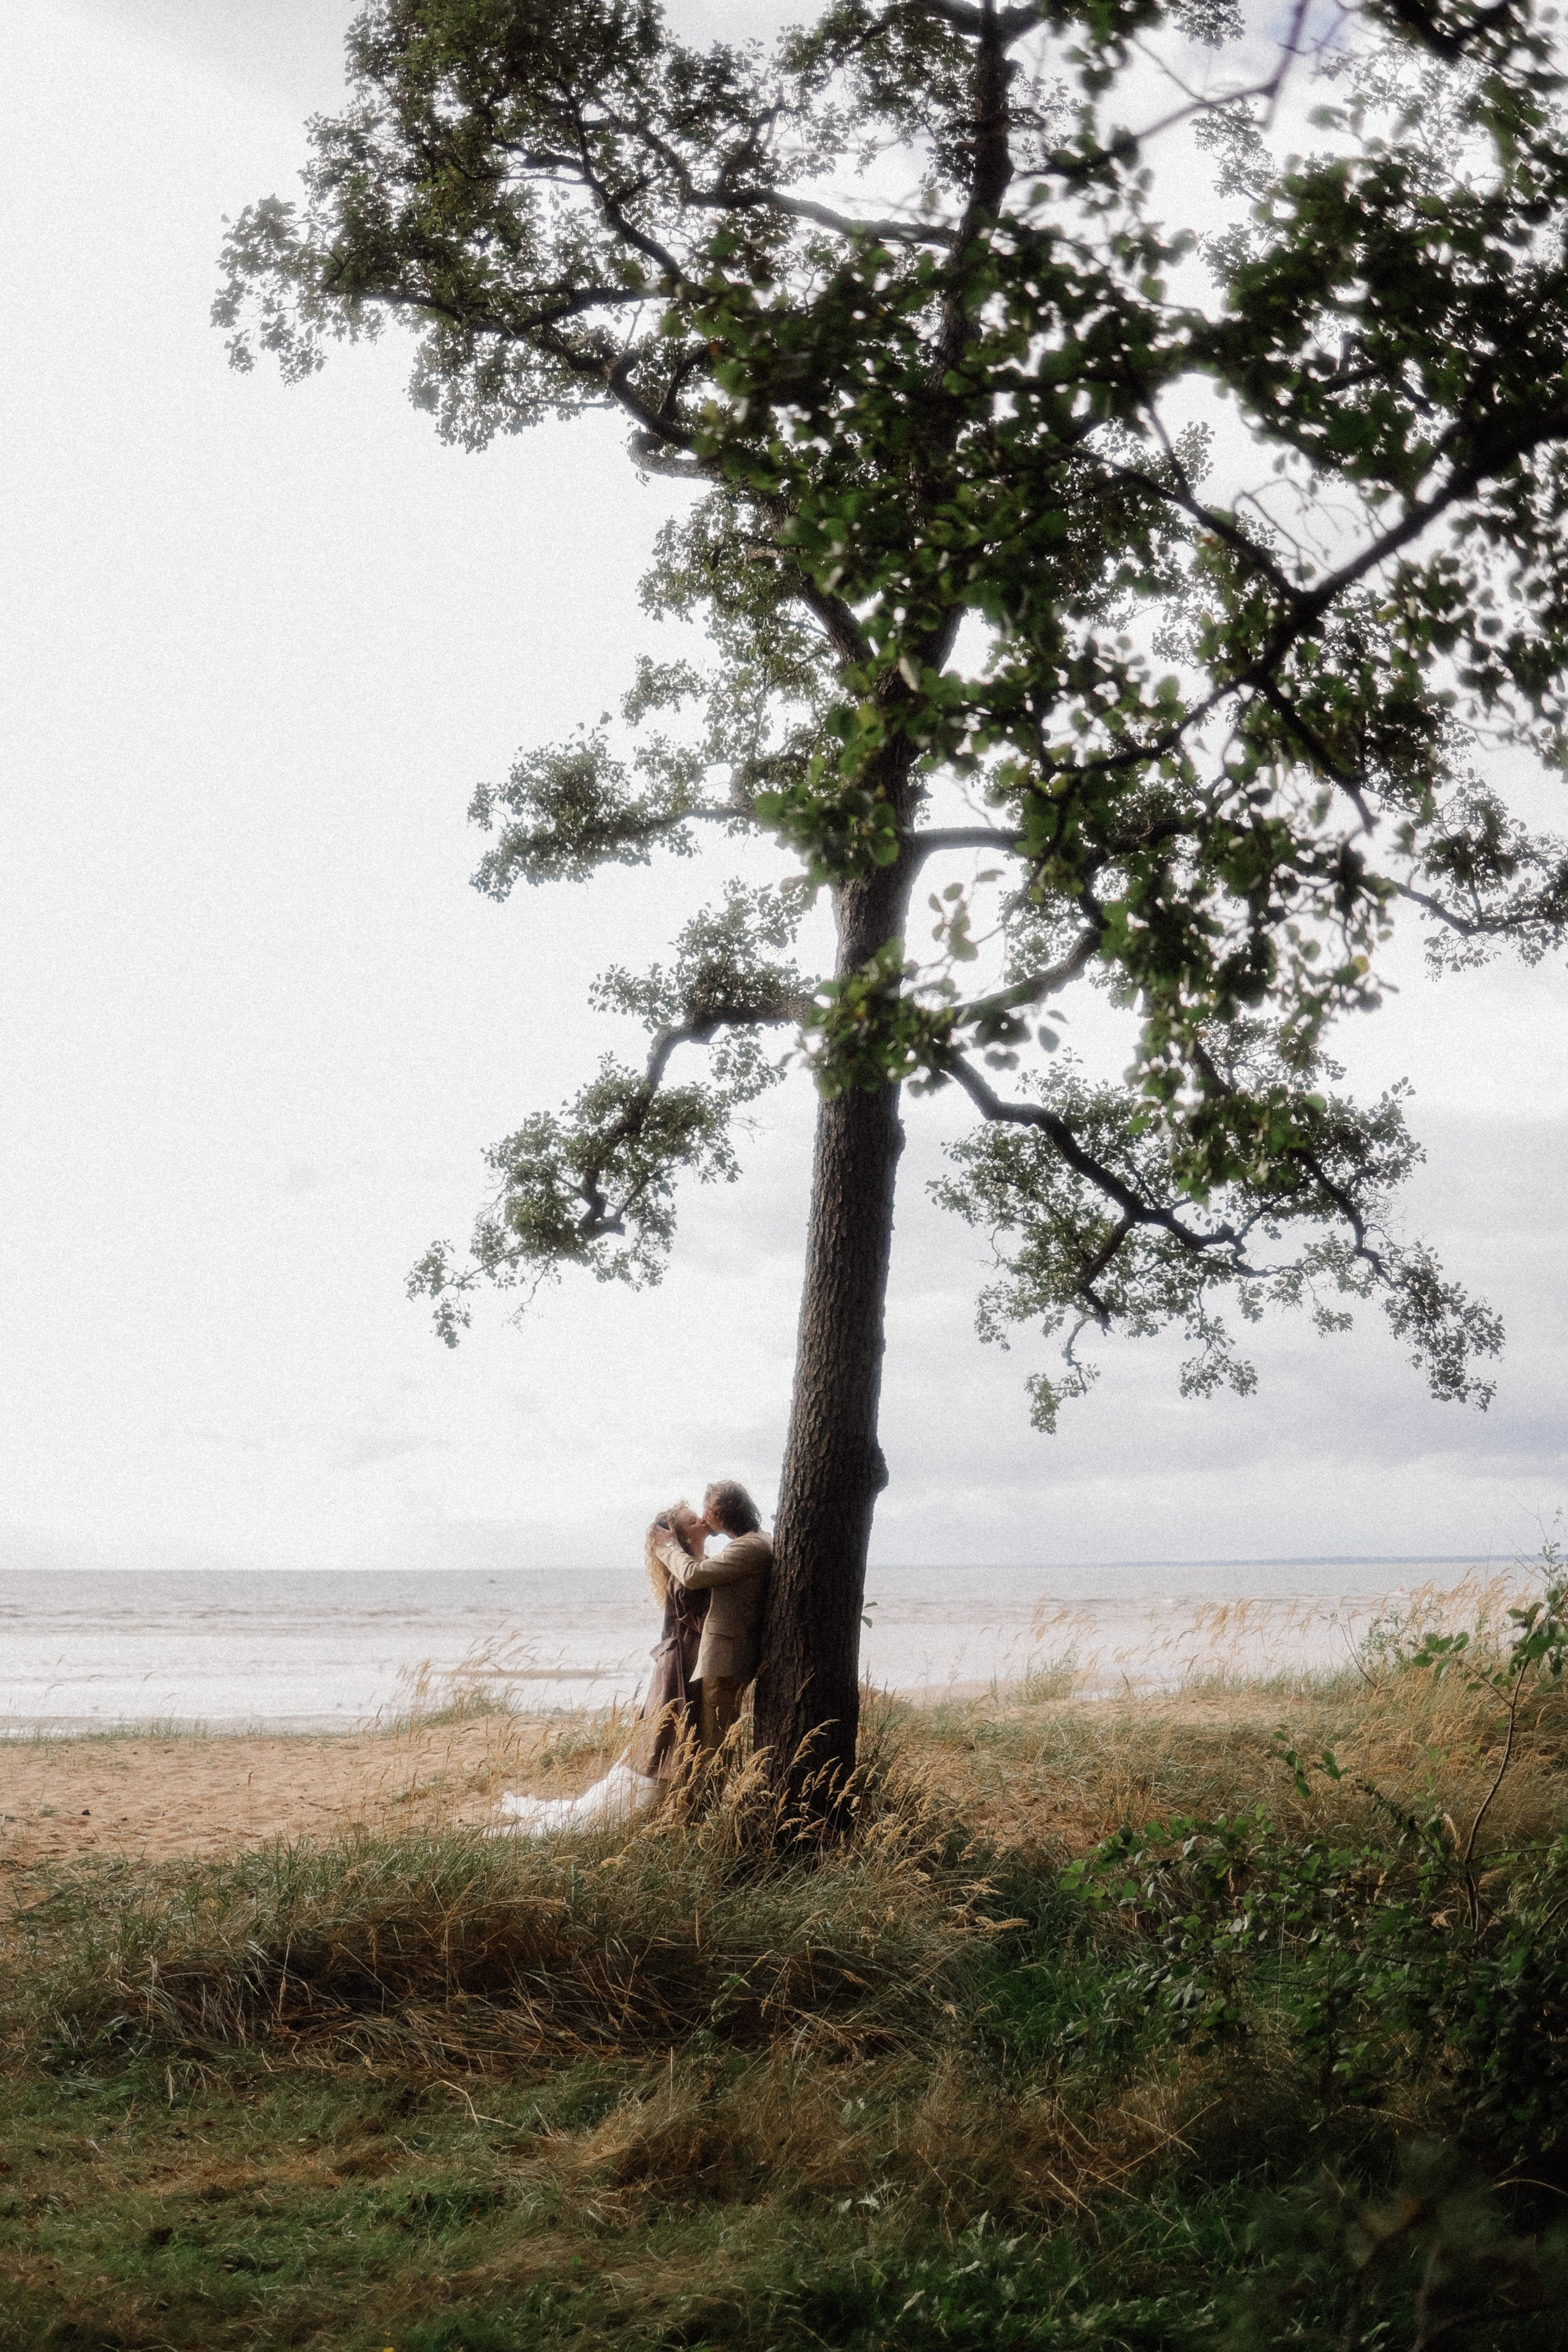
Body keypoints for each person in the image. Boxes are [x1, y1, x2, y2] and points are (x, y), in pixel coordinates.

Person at [644, 1480, 772, 1755]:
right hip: (710, 1659)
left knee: (714, 1745)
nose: (703, 1518)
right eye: (695, 1519)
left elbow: (694, 1576)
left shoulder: (748, 1547)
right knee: (711, 1743)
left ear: (720, 1513)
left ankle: (707, 1796)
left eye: (706, 1511)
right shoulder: (749, 1544)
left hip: (723, 1658)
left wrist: (667, 1548)